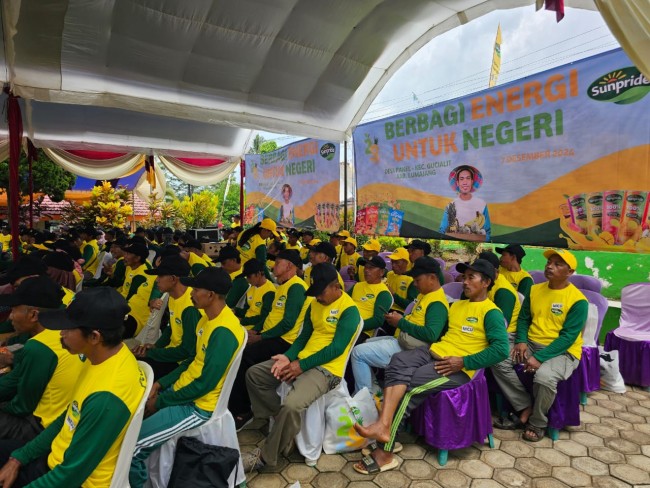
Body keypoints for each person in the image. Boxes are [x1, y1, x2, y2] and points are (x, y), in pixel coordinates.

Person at [353, 259, 508, 474]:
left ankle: (385, 451)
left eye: (471, 277)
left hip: (457, 367)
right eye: (464, 276)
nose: (464, 281)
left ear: (486, 282)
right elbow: (434, 332)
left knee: (408, 388)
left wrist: (464, 362)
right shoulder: (457, 305)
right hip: (435, 352)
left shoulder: (491, 313)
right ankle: (383, 425)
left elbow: (501, 350)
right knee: (397, 362)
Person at [0, 287, 146, 487]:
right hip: (56, 456)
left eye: (68, 329)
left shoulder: (107, 397)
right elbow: (69, 417)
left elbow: (69, 476)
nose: (61, 333)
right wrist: (18, 458)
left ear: (95, 337)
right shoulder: (104, 357)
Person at [129, 267, 245, 488]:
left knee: (133, 447)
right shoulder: (207, 320)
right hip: (182, 393)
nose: (190, 293)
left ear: (210, 295)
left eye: (196, 289)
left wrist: (161, 401)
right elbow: (192, 362)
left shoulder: (223, 331)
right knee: (135, 417)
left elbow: (204, 384)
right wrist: (161, 384)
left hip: (196, 406)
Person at [244, 263, 361, 470]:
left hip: (326, 370)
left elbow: (337, 348)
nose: (318, 297)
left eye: (321, 292)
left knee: (292, 404)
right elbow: (302, 337)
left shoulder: (349, 310)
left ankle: (266, 456)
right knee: (255, 375)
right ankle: (281, 421)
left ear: (336, 286)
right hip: (302, 361)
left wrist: (302, 365)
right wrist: (287, 357)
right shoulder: (314, 305)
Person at [490, 249, 587, 442]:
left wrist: (539, 358)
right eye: (549, 262)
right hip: (531, 344)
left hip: (563, 351)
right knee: (498, 359)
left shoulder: (578, 301)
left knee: (544, 377)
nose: (550, 266)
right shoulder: (535, 290)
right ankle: (525, 405)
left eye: (558, 264)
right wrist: (521, 341)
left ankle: (537, 422)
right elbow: (524, 318)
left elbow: (568, 338)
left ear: (570, 272)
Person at [229, 250, 309, 431]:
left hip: (284, 341)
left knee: (244, 356)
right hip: (270, 335)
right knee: (236, 349)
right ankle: (239, 402)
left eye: (278, 262)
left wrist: (260, 337)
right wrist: (256, 330)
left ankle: (243, 410)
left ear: (289, 265)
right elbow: (271, 316)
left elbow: (288, 323)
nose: (273, 266)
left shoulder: (296, 287)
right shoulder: (281, 286)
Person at [0, 277, 83, 443]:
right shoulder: (69, 333)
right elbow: (17, 378)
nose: (10, 317)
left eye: (14, 310)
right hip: (66, 420)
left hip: (41, 429)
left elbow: (21, 406)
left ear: (33, 314)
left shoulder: (40, 346)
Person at [351, 256, 449, 394]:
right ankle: (373, 390)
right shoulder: (426, 295)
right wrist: (399, 319)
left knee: (357, 353)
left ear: (432, 278)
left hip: (412, 349)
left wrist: (401, 322)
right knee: (367, 342)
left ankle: (364, 395)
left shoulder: (437, 303)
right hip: (403, 340)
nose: (415, 284)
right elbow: (416, 320)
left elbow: (431, 334)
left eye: (418, 280)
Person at [132, 255, 200, 379]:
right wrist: (156, 346)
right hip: (172, 354)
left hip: (181, 363)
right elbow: (171, 328)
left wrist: (153, 353)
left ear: (173, 279)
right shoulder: (173, 297)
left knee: (137, 372)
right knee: (133, 359)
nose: (156, 280)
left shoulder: (190, 307)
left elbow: (186, 350)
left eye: (160, 276)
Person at [121, 240, 162, 338]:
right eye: (125, 253)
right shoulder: (132, 268)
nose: (125, 256)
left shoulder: (141, 275)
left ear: (137, 258)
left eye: (129, 253)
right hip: (127, 311)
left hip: (134, 319)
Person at [439, 165, 491, 241]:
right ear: (457, 183)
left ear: (472, 181)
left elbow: (488, 233)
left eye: (468, 178)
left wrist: (477, 239)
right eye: (461, 179)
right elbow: (442, 231)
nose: (465, 182)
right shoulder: (451, 206)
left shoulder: (482, 204)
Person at [348, 256, 393, 339]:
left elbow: (377, 320)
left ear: (381, 272)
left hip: (361, 331)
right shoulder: (357, 285)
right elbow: (342, 301)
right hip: (344, 323)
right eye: (365, 267)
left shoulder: (383, 293)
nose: (366, 270)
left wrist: (355, 326)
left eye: (371, 268)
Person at [234, 259, 276, 330]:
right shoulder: (252, 288)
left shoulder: (269, 291)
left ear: (259, 274)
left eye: (249, 277)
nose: (247, 280)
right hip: (244, 325)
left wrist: (242, 321)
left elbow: (264, 317)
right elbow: (247, 311)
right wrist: (235, 311)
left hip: (255, 329)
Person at [384, 247, 417, 316]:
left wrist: (393, 295)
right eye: (392, 261)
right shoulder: (389, 274)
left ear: (406, 262)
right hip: (385, 308)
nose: (393, 265)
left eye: (396, 262)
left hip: (400, 313)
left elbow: (410, 305)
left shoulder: (412, 280)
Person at [218, 246, 249, 310]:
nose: (222, 266)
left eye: (223, 263)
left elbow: (226, 305)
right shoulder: (239, 272)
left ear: (233, 260)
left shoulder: (240, 281)